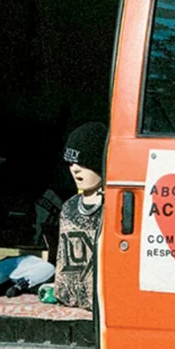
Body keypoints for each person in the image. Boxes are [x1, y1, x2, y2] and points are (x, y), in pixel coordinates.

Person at [52, 122, 108, 309]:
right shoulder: (69, 207)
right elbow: (62, 257)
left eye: (83, 162)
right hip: (67, 300)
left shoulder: (115, 207)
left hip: (100, 305)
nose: (75, 169)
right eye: (70, 162)